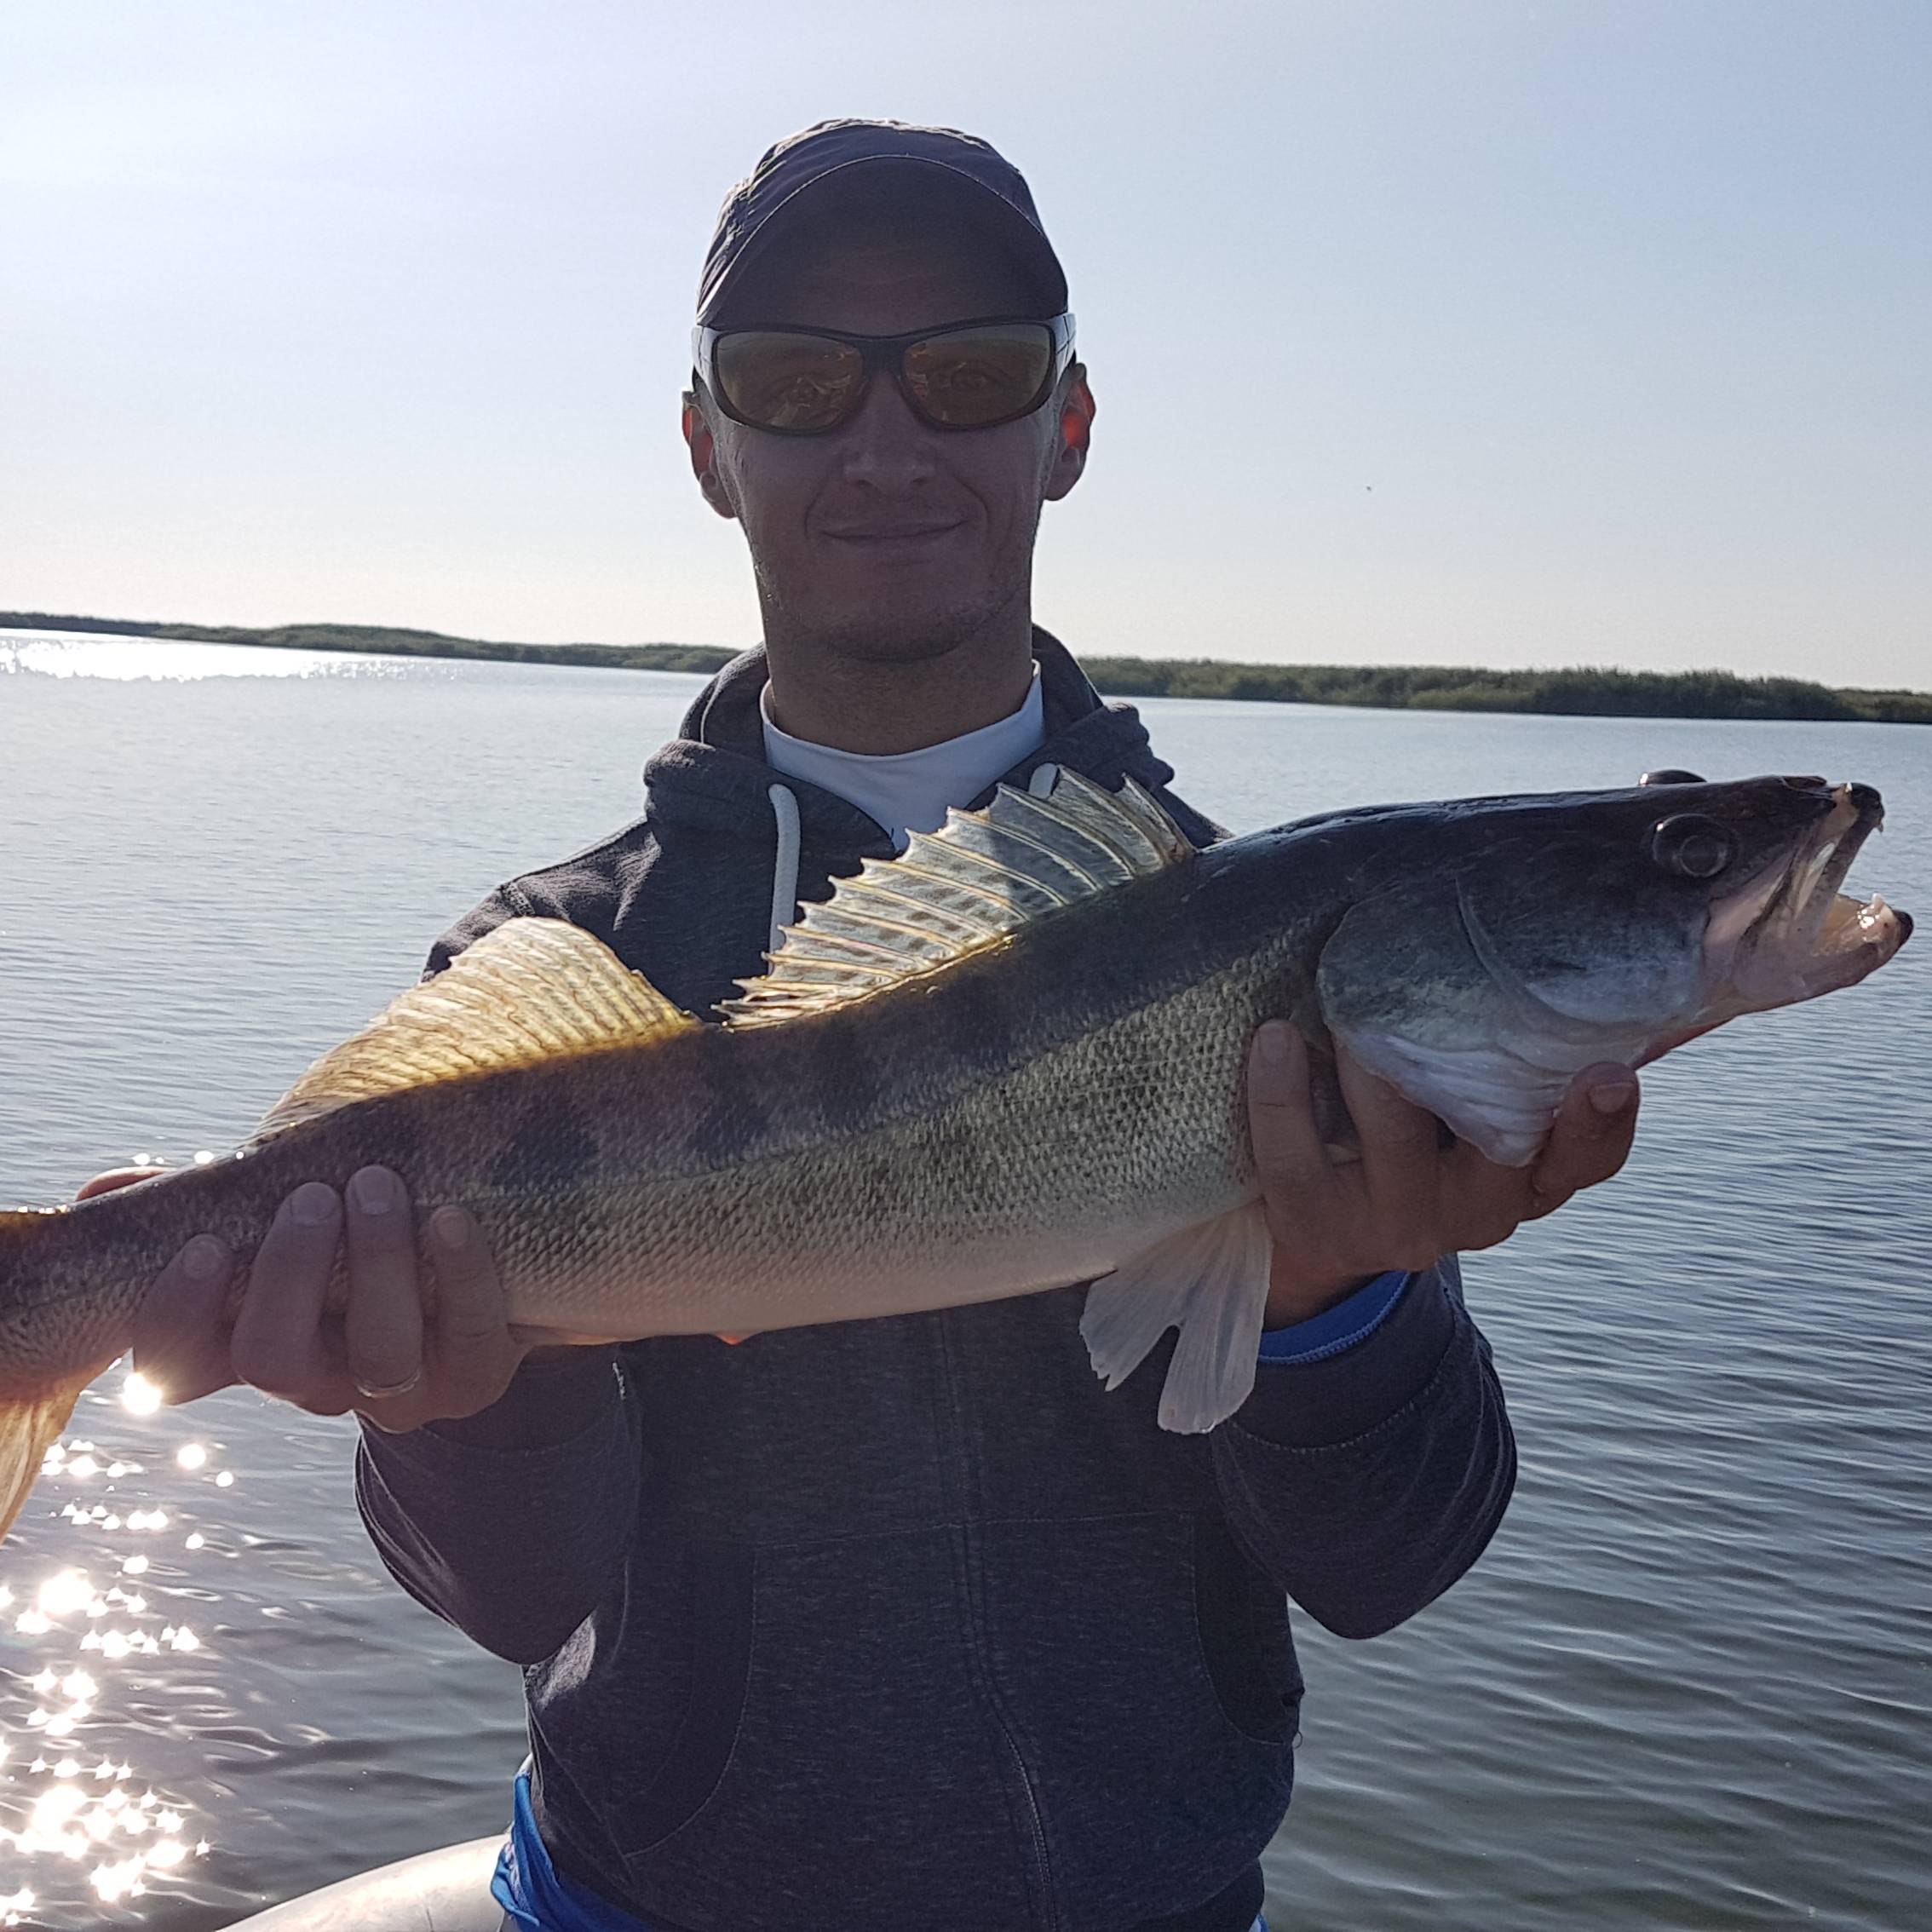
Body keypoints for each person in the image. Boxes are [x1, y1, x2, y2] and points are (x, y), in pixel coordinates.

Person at [95, 121, 1642, 1932]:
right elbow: (509, 1598)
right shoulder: (554, 964)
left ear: (1065, 429)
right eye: (797, 380)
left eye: (971, 372)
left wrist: (1333, 1302)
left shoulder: (1267, 956)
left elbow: (1397, 1563)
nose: (887, 443)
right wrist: (473, 1410)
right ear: (708, 448)